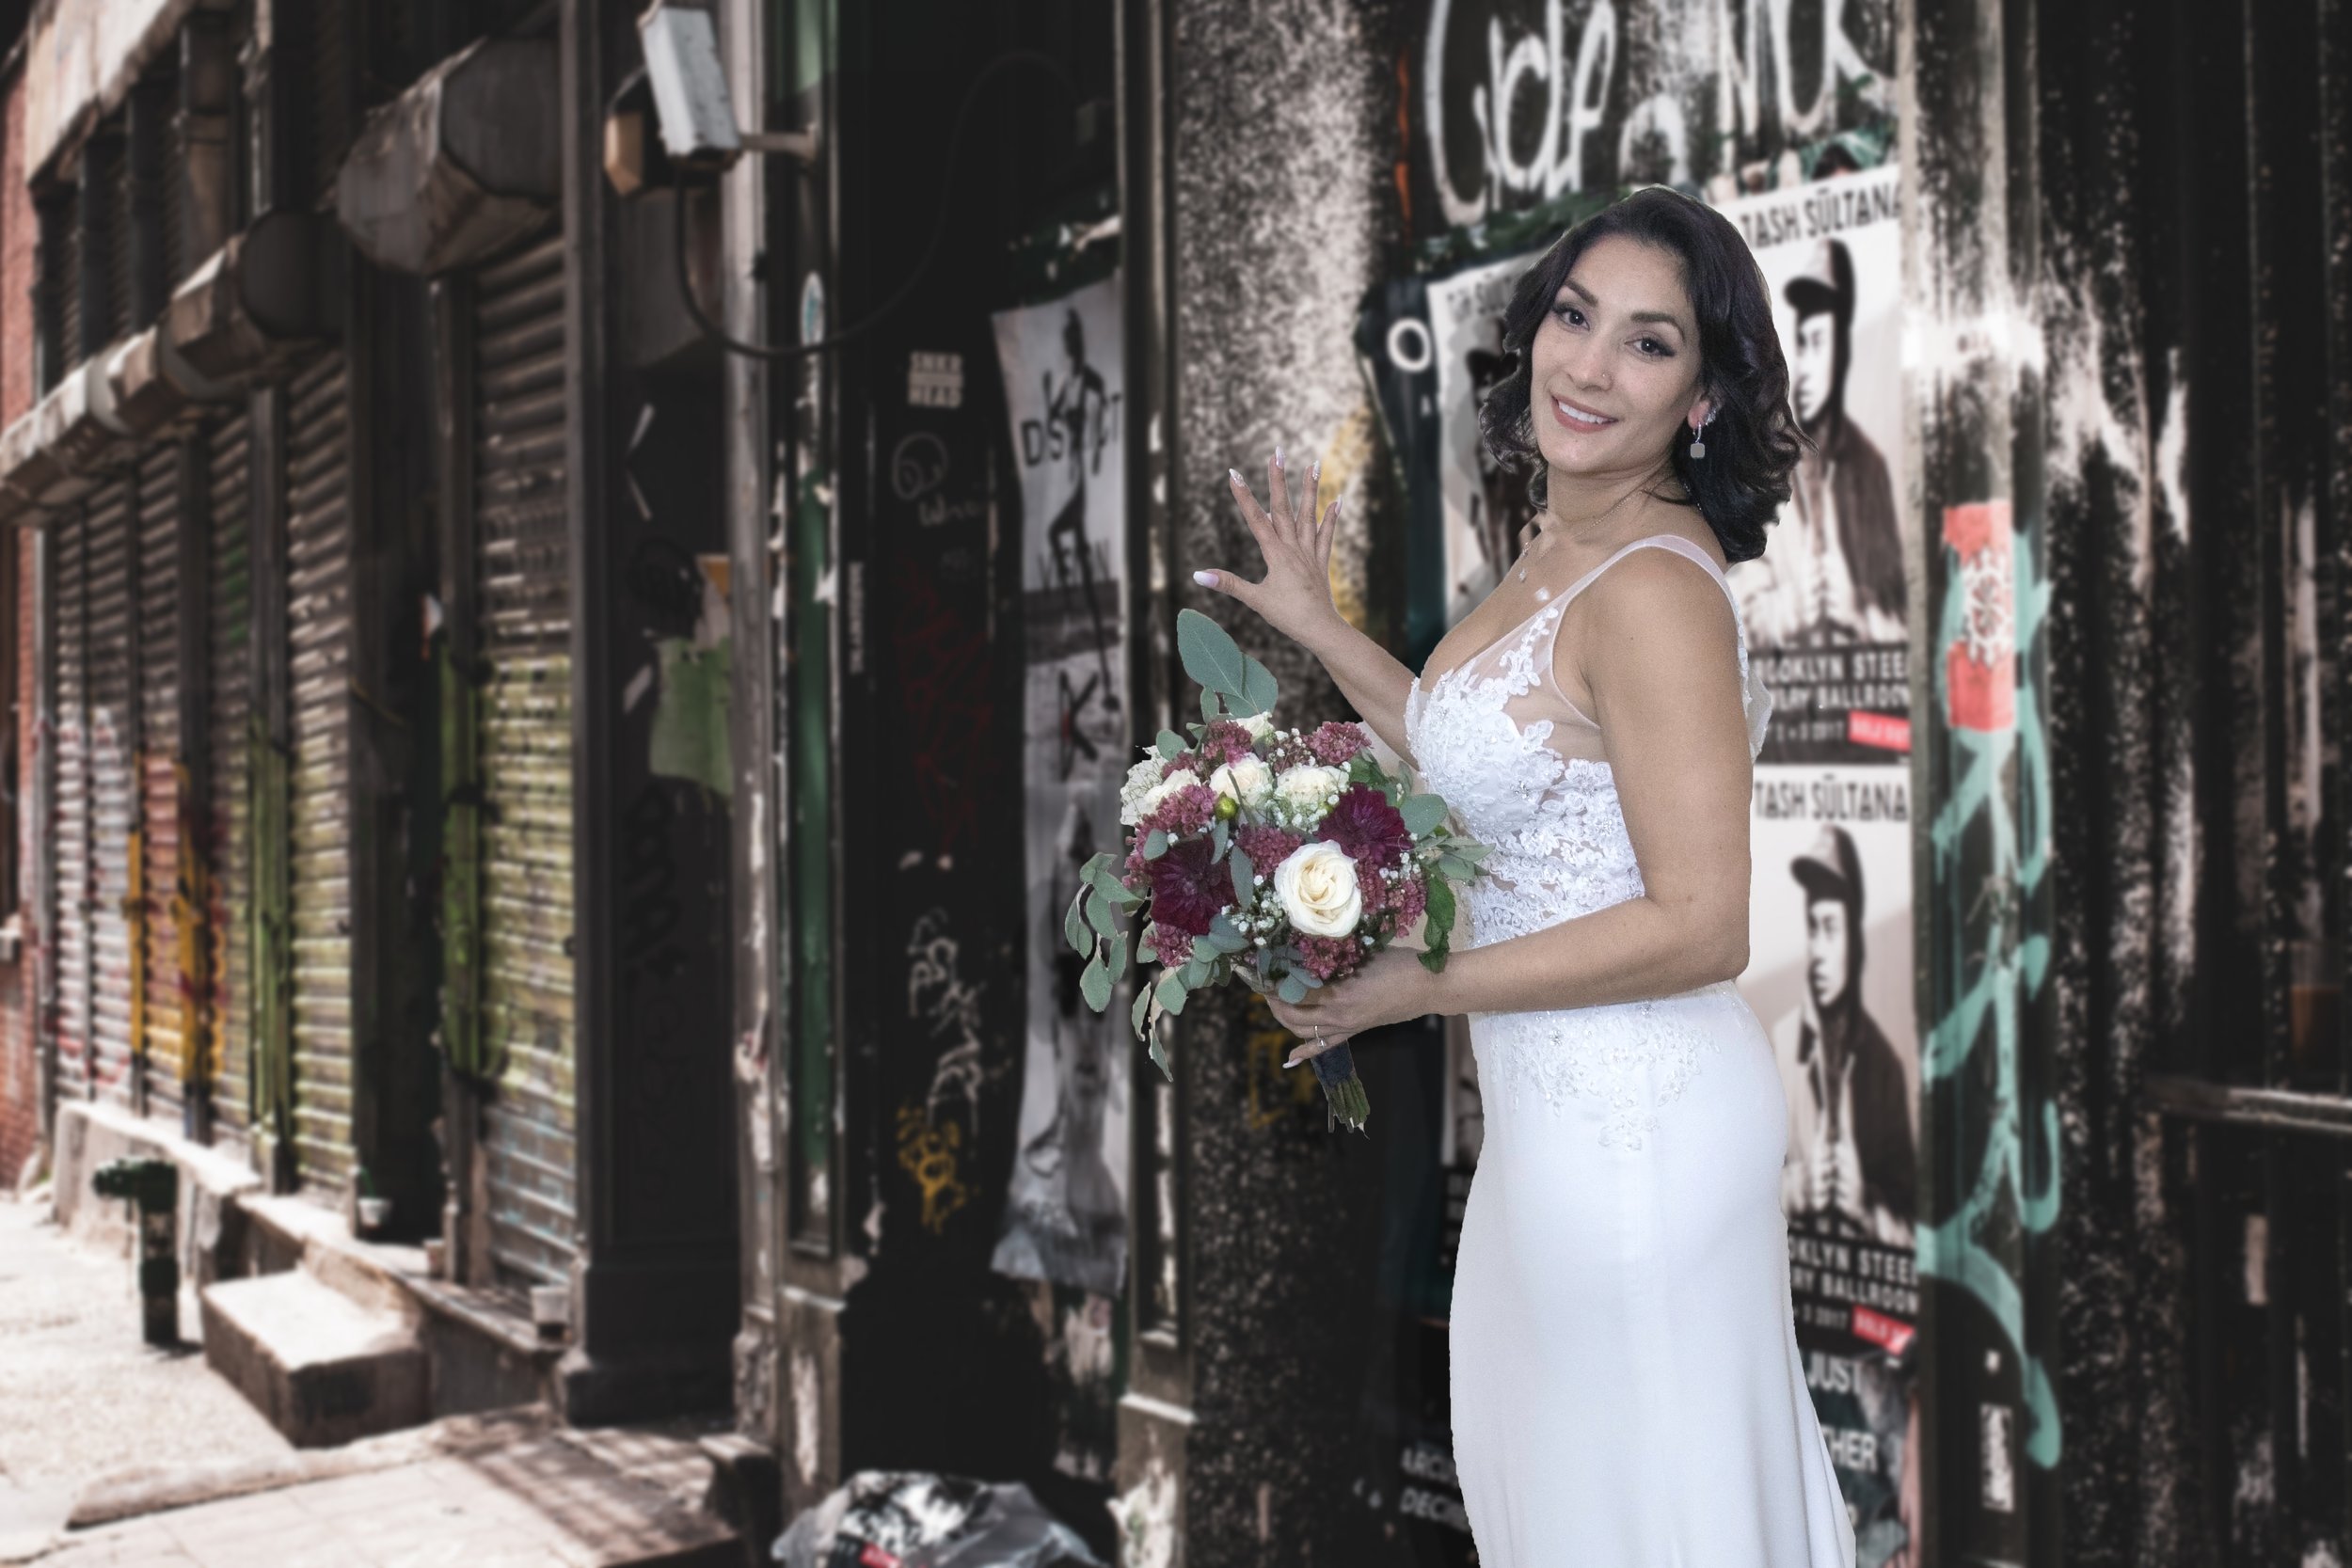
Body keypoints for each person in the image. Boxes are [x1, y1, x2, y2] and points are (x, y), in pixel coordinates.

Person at [1192, 187, 1855, 1566]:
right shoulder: (1560, 548)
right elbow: (1481, 747)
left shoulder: (1658, 590)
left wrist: (1416, 984)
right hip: (1552, 1134)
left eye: (1649, 342)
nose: (1590, 365)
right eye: (1574, 315)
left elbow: (1704, 920)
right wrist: (1325, 632)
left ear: (1706, 399)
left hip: (1640, 1140)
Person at [1733, 237, 1906, 650]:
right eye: (1801, 344)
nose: (1808, 366)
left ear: (1843, 351)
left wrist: (1855, 600)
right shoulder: (1764, 459)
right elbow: (1722, 605)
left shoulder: (1867, 465)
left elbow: (1902, 611)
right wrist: (1792, 606)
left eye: (1820, 342)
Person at [1771, 825, 1917, 1244]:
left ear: (1854, 936)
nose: (1817, 950)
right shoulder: (1781, 1041)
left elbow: (1918, 1235)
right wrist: (1796, 1188)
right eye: (1812, 928)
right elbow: (1730, 1182)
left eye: (1831, 929)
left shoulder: (1883, 1066)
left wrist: (1864, 1203)